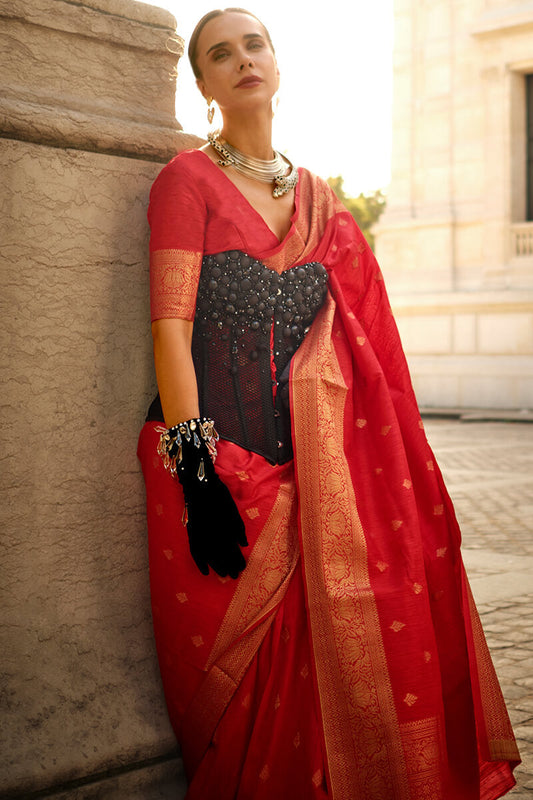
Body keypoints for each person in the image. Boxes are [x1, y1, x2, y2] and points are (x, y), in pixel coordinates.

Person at [137, 8, 520, 799]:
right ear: (203, 84)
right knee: (239, 690)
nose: (242, 60)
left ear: (275, 62)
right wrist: (198, 474)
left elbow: (363, 347)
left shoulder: (321, 199)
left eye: (254, 45)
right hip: (220, 468)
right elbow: (169, 332)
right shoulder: (186, 183)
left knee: (339, 669)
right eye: (220, 54)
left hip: (321, 476)